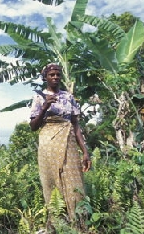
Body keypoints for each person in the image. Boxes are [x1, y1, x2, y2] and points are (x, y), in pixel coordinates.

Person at [29, 63, 91, 224]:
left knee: (73, 177)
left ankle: (79, 221)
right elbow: (33, 127)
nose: (55, 77)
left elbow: (76, 125)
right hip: (48, 143)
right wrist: (44, 107)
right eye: (51, 75)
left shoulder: (68, 96)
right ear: (45, 78)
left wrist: (84, 151)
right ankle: (58, 222)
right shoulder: (39, 97)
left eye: (58, 74)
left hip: (69, 142)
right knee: (51, 180)